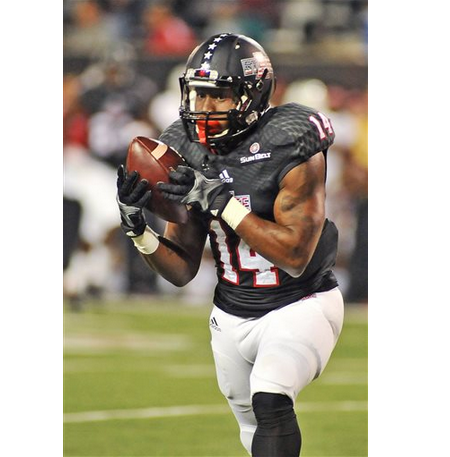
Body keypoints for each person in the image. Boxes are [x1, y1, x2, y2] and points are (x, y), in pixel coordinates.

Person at [116, 33, 344, 457]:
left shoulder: (289, 137)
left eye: (217, 97)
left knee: (271, 399)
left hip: (300, 301)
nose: (203, 109)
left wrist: (221, 201)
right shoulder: (183, 145)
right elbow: (182, 270)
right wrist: (137, 227)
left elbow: (296, 256)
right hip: (230, 311)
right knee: (251, 424)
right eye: (197, 95)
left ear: (251, 95)